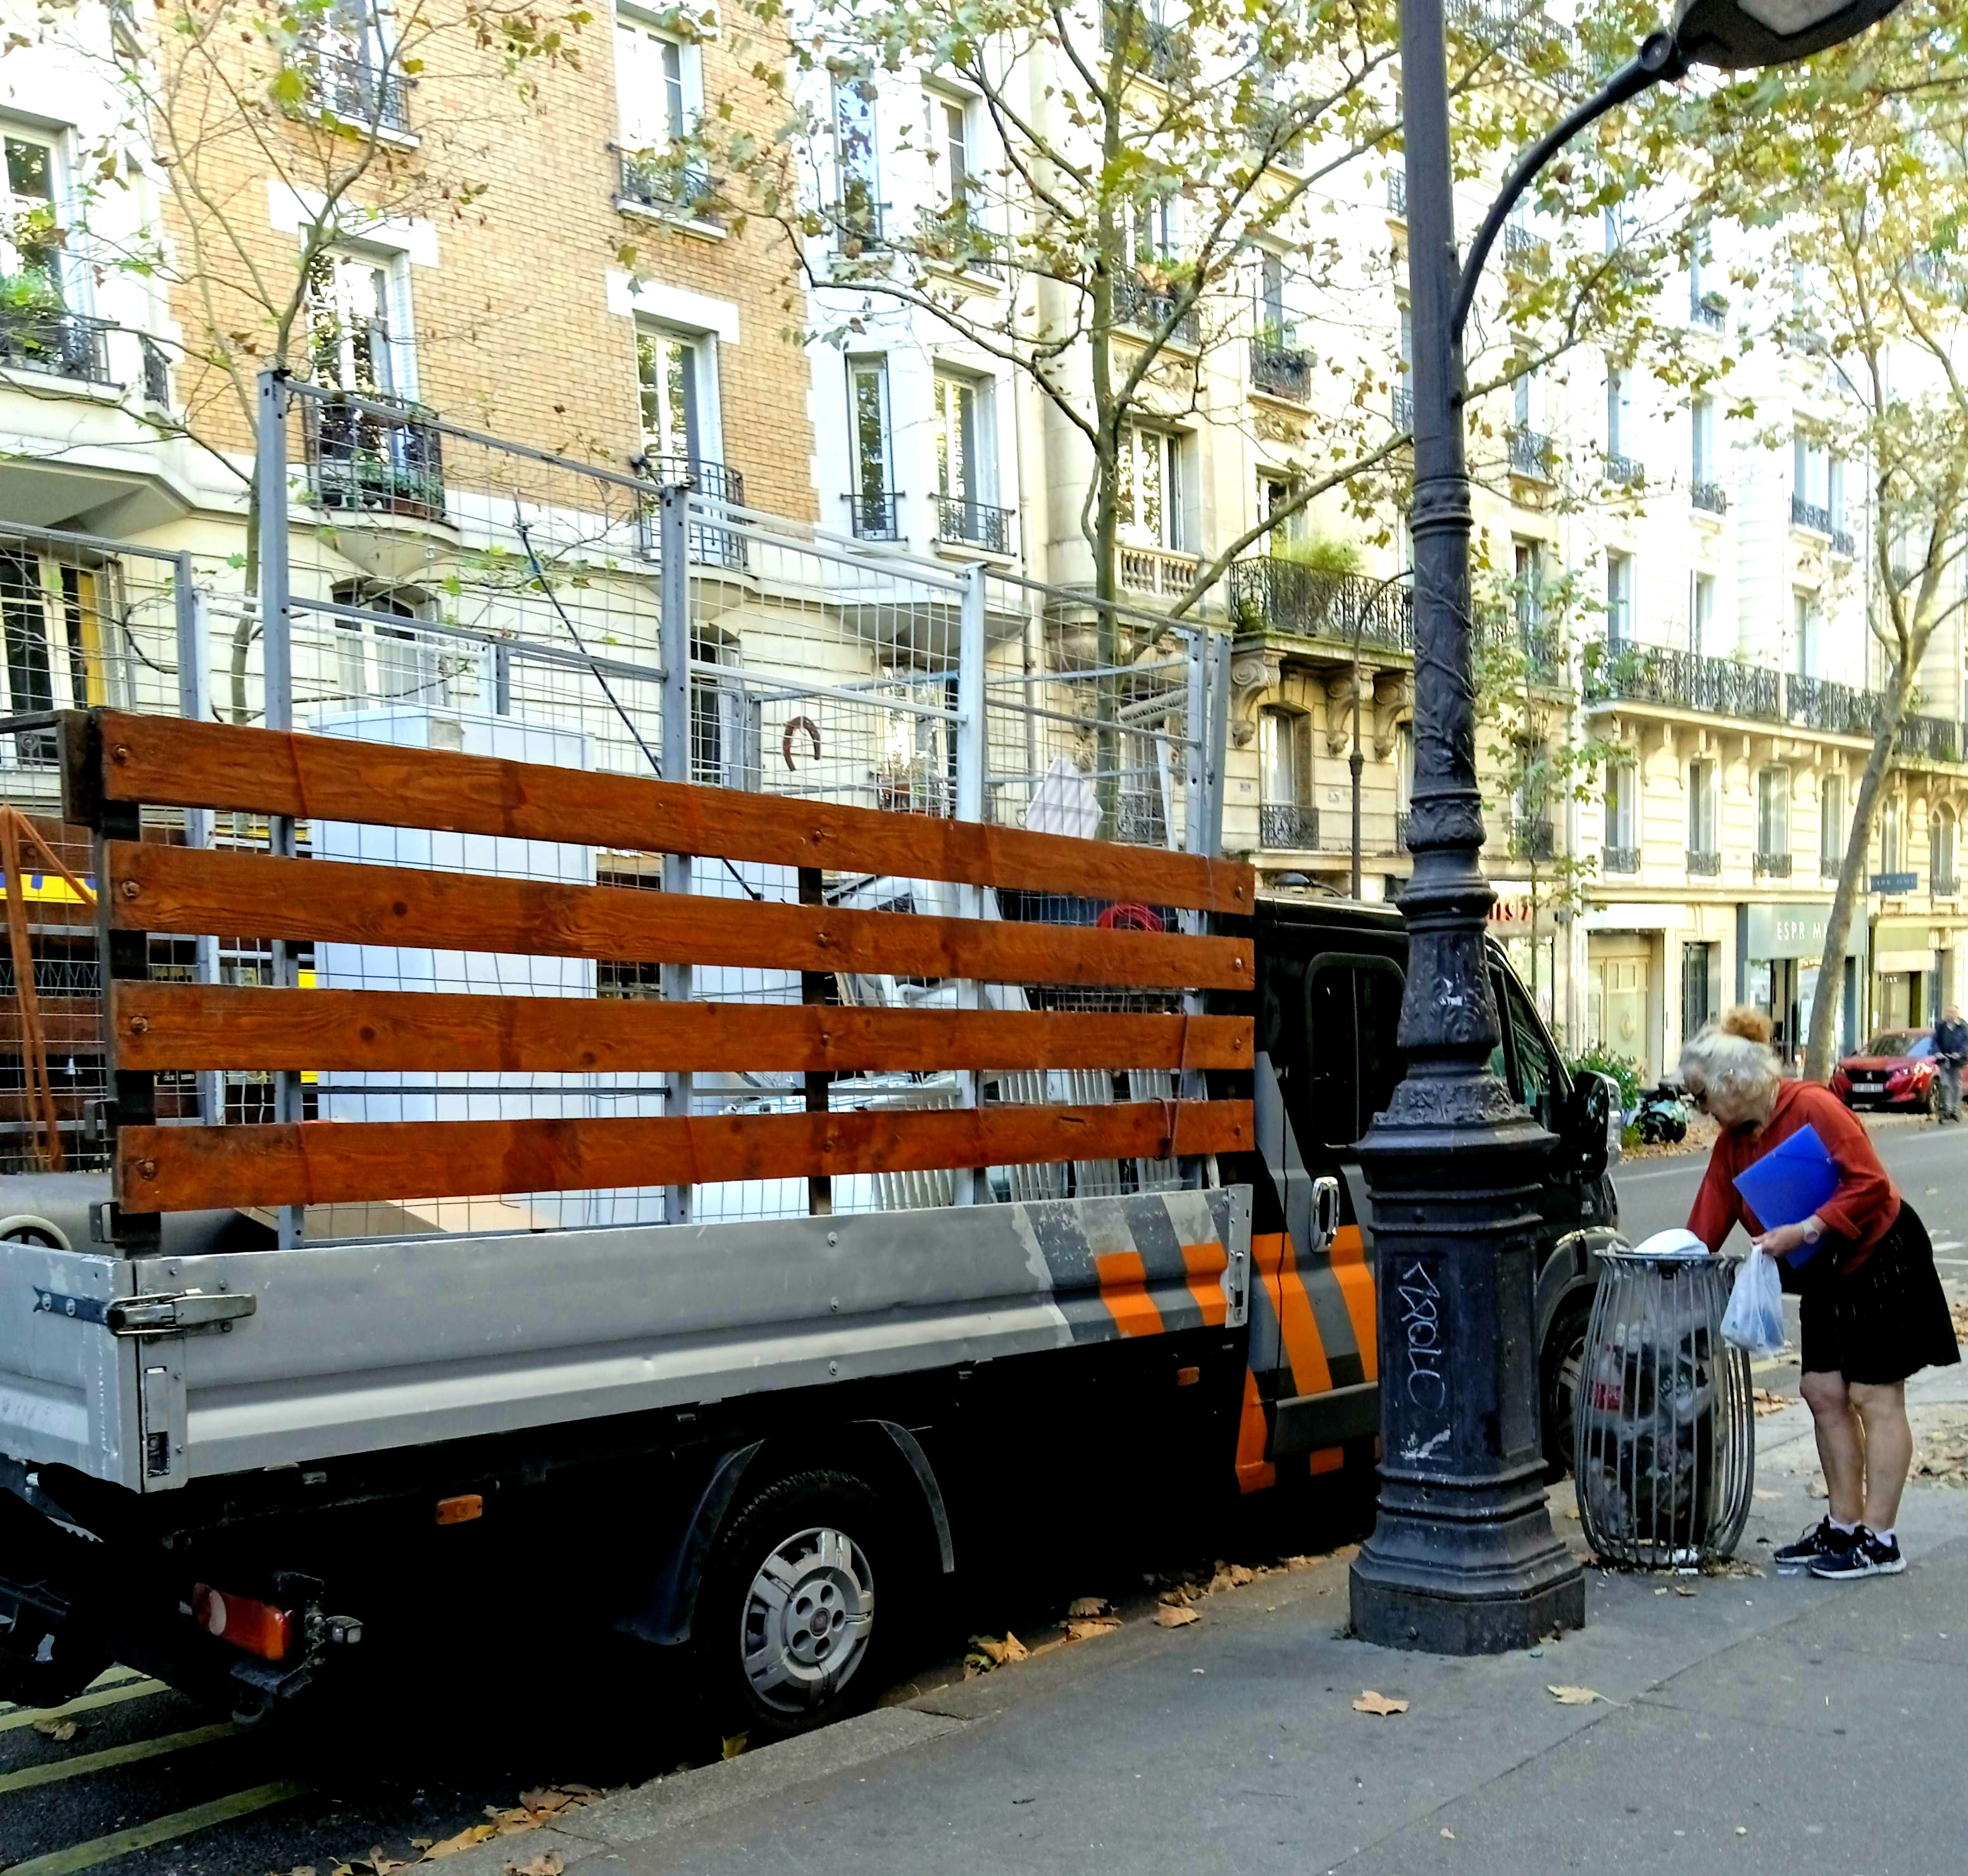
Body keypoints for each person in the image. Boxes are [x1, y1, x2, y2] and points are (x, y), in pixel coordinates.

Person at [1681, 1007, 1960, 1580]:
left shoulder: (1812, 1106)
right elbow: (1704, 1225)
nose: (1701, 1110)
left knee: (1874, 1395)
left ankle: (1880, 1539)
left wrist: (1806, 1229)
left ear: (1734, 1083)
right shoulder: (1734, 1141)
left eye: (1704, 1096)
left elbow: (1870, 1182)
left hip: (1877, 1250)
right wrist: (1670, 1260)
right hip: (1824, 1270)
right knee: (1822, 1391)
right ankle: (1843, 1523)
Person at [1933, 1004, 1967, 1125]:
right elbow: (1935, 1041)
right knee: (1945, 1083)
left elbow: (1966, 1042)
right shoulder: (1941, 1027)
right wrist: (1937, 1052)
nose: (1949, 1015)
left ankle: (1956, 1108)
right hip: (1944, 1059)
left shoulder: (1963, 1027)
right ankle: (1947, 1108)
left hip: (1957, 1061)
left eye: (1952, 1012)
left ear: (1956, 1014)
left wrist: (1961, 1053)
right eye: (1947, 1012)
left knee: (1956, 1084)